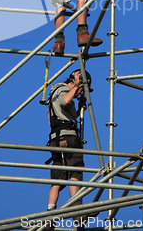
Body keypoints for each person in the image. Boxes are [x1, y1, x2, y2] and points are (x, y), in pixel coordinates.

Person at [47, 69, 92, 211]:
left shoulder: (59, 91)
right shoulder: (64, 89)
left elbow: (65, 117)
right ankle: (76, 210)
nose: (82, 92)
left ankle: (50, 213)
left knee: (57, 181)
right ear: (75, 80)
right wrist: (78, 85)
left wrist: (78, 110)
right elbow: (64, 101)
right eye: (83, 89)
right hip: (69, 138)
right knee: (74, 174)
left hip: (56, 139)